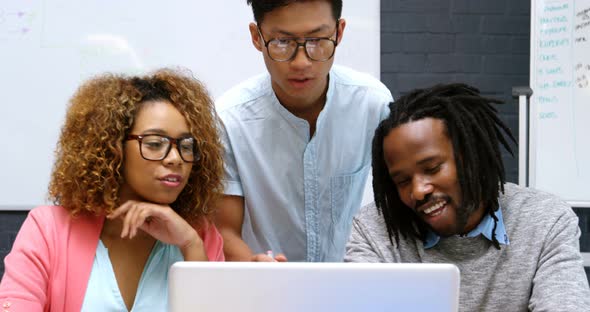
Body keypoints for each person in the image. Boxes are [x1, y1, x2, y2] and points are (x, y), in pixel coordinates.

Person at [345, 83, 590, 310]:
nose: (418, 190)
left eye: (432, 169)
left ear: (473, 157)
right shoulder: (373, 232)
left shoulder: (546, 221)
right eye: (402, 181)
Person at [0, 69, 226, 311]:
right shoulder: (48, 230)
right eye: (154, 143)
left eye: (186, 145)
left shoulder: (199, 236)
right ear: (113, 148)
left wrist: (191, 246)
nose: (175, 158)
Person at [215, 0, 393, 262]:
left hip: (350, 285)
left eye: (318, 40)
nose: (301, 62)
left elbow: (396, 206)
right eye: (282, 42)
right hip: (264, 290)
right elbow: (224, 230)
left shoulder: (372, 104)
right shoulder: (229, 119)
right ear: (257, 37)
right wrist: (253, 265)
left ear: (339, 32)